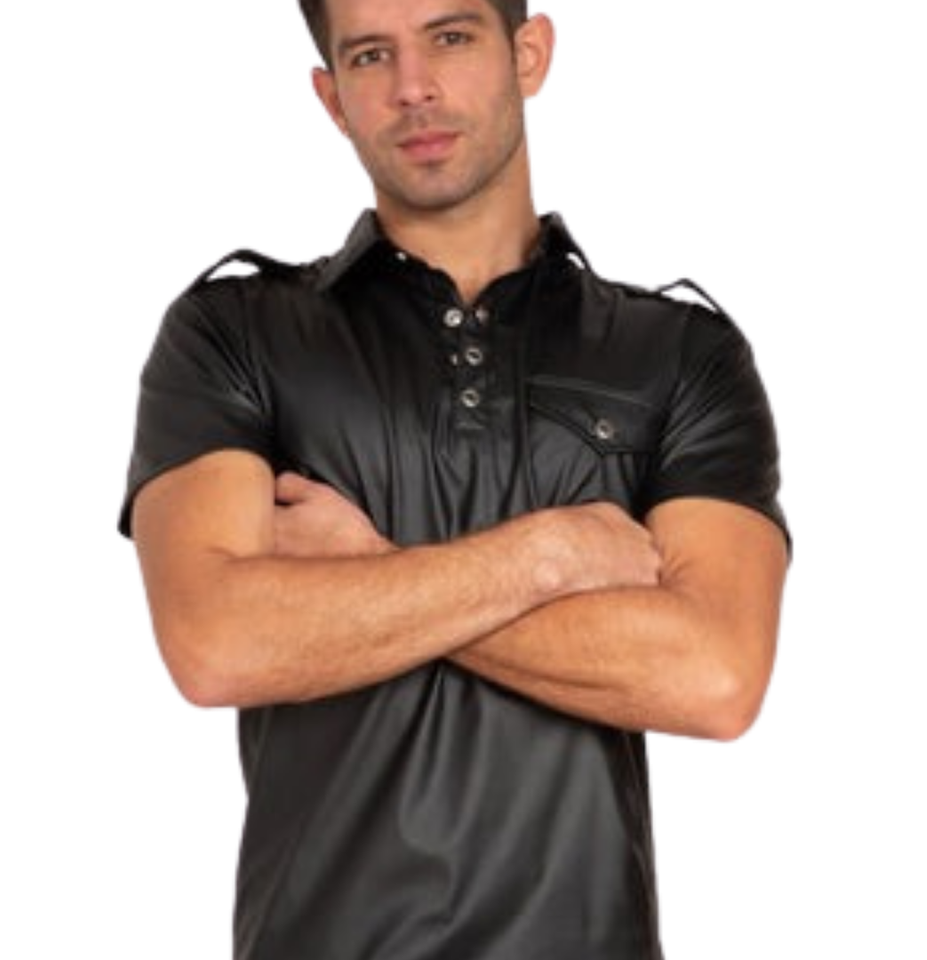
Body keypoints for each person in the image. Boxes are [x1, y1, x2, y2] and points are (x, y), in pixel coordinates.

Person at [120, 1, 789, 957]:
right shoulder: (233, 334)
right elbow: (216, 643)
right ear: (332, 98)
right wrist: (553, 554)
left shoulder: (679, 354)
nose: (413, 87)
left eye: (451, 37)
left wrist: (369, 568)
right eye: (369, 55)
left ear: (530, 53)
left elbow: (715, 675)